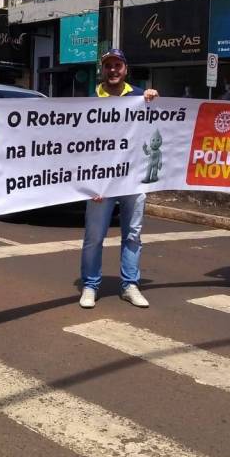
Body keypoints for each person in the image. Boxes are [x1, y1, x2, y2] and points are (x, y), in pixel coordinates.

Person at [79, 49, 158, 309]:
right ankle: (90, 285)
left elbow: (158, 126)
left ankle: (130, 284)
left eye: (117, 65)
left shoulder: (140, 96)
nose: (113, 70)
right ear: (102, 70)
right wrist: (91, 183)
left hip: (133, 179)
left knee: (133, 235)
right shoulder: (90, 100)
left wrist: (154, 100)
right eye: (108, 66)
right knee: (94, 236)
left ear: (126, 69)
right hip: (101, 181)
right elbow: (80, 146)